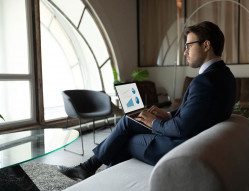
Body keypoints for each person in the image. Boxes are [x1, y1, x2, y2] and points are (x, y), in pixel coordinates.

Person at [57, 21, 236, 180]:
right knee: (129, 121)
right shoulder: (225, 76)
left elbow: (183, 128)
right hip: (192, 138)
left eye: (189, 45)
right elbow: (195, 114)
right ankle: (89, 168)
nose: (185, 51)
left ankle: (98, 174)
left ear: (206, 45)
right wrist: (166, 115)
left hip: (180, 145)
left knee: (125, 138)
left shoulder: (204, 81)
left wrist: (155, 123)